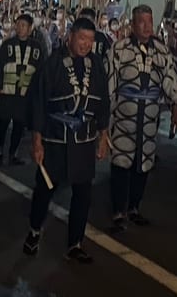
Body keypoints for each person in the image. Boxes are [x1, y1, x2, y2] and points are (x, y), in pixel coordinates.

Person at [23, 18, 110, 263]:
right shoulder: (52, 64)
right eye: (82, 38)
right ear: (70, 36)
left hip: (83, 141)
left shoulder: (97, 65)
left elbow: (103, 101)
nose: (86, 45)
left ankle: (75, 243)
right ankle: (34, 230)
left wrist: (104, 136)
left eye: (90, 40)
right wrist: (37, 141)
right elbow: (38, 103)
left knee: (83, 194)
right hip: (55, 139)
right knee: (45, 189)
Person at [106, 4, 177, 233]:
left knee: (143, 164)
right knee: (121, 163)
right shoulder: (118, 49)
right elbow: (110, 85)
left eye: (150, 22)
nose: (147, 26)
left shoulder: (161, 51)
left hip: (150, 117)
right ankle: (118, 209)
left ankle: (134, 207)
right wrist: (104, 122)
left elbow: (170, 81)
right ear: (132, 24)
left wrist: (176, 108)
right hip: (124, 117)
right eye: (142, 22)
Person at [0, 13, 46, 166]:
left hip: (25, 94)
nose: (20, 28)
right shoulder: (7, 45)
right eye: (19, 24)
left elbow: (41, 71)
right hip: (7, 92)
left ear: (30, 29)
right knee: (2, 124)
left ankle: (13, 153)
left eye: (24, 25)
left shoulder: (37, 47)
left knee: (19, 125)